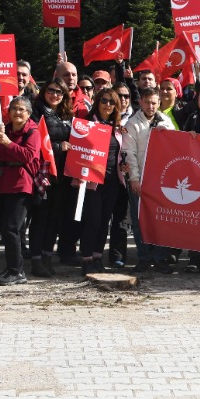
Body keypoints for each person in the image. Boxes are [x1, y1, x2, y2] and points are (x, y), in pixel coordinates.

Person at [120, 86, 177, 273]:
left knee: (161, 220)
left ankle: (160, 258)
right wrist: (134, 179)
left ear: (159, 103)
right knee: (140, 221)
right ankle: (143, 257)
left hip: (161, 180)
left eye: (154, 103)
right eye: (147, 102)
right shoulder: (132, 124)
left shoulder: (167, 121)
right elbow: (129, 153)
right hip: (141, 179)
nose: (150, 106)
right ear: (140, 102)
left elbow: (175, 148)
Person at [0, 96, 45, 285]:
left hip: (21, 184)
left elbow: (29, 155)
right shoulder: (3, 129)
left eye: (21, 109)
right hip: (2, 182)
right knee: (5, 228)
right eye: (14, 108)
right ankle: (11, 267)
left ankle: (17, 271)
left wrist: (7, 143)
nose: (17, 112)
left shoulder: (33, 132)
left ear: (28, 113)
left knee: (12, 228)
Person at [78, 88, 130, 275]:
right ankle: (86, 259)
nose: (108, 105)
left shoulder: (117, 127)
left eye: (112, 102)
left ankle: (97, 257)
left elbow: (119, 154)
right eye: (104, 101)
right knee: (92, 220)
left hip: (113, 181)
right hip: (93, 181)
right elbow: (79, 150)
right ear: (97, 102)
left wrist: (123, 166)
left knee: (104, 221)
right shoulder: (87, 124)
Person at [31, 82, 76, 277]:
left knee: (55, 218)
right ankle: (36, 260)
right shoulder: (36, 112)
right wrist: (58, 147)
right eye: (51, 90)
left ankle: (47, 257)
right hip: (44, 173)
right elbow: (34, 141)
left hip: (63, 175)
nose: (54, 94)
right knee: (40, 218)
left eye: (59, 92)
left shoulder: (67, 115)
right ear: (44, 92)